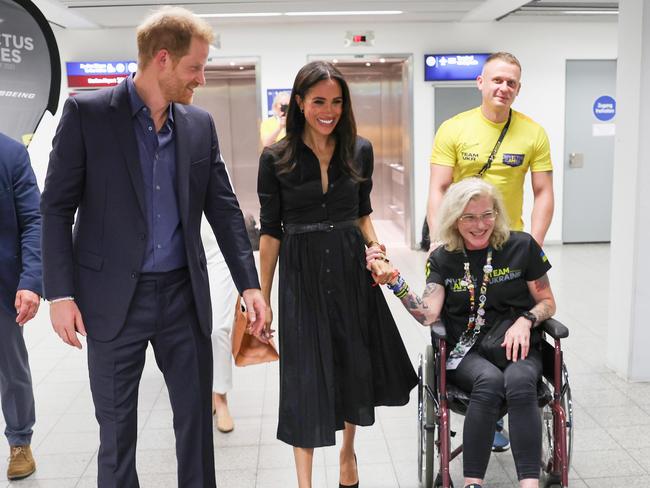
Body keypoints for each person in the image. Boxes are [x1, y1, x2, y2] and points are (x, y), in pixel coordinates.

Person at [40, 7, 266, 487]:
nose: (201, 79)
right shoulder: (89, 114)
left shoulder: (198, 125)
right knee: (117, 434)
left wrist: (251, 284)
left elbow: (223, 210)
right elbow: (56, 209)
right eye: (195, 68)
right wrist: (59, 295)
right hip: (111, 300)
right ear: (162, 59)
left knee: (194, 430)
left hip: (183, 296)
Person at [257, 61, 417, 488]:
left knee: (351, 363)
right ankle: (304, 483)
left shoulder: (359, 149)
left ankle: (348, 454)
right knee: (303, 375)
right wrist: (263, 299)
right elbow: (270, 233)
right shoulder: (276, 157)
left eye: (336, 102)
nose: (328, 111)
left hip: (350, 267)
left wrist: (377, 252)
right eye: (318, 102)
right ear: (299, 103)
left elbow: (362, 214)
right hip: (301, 269)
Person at [374, 178, 556, 488]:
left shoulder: (522, 246)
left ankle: (529, 483)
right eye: (469, 217)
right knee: (490, 381)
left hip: (516, 345)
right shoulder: (443, 259)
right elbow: (428, 313)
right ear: (454, 219)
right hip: (466, 351)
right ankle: (474, 483)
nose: (480, 224)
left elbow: (548, 302)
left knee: (520, 379)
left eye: (487, 214)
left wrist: (526, 320)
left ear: (496, 213)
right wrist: (395, 281)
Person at [427, 51, 554, 450]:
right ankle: (488, 404)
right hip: (464, 241)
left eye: (511, 83)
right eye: (496, 80)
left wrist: (531, 244)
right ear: (480, 82)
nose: (503, 88)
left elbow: (543, 191)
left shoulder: (533, 133)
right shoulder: (454, 128)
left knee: (510, 319)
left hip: (508, 246)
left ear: (518, 89)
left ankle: (512, 402)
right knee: (466, 321)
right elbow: (439, 188)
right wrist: (438, 242)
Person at [0, 133, 40, 480]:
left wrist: (30, 282)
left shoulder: (11, 155)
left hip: (2, 284)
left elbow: (33, 221)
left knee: (11, 366)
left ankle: (20, 442)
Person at [200, 217, 239, 433]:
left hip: (217, 249)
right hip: (179, 247)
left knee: (218, 328)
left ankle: (220, 396)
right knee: (193, 329)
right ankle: (202, 390)